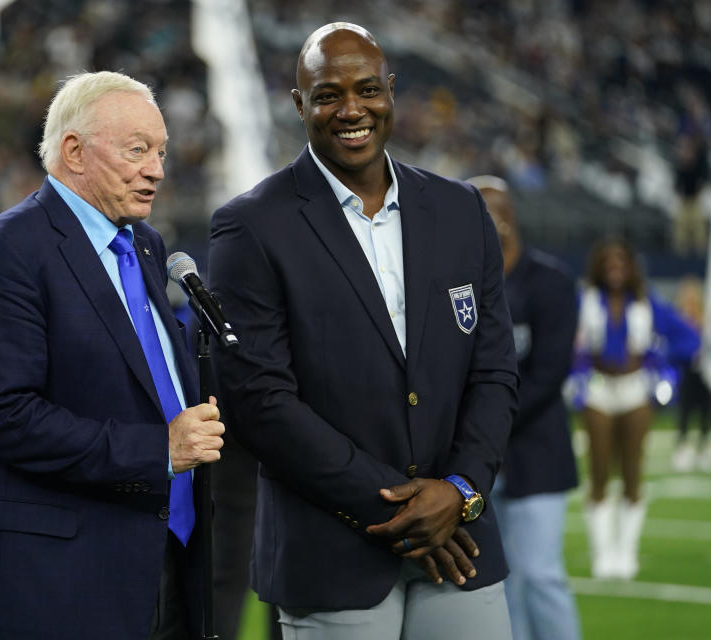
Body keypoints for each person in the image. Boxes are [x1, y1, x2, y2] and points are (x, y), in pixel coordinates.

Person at [208, 23, 518, 640]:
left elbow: (494, 372)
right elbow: (261, 406)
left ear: (392, 92)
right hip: (332, 555)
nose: (352, 109)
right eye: (328, 94)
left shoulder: (461, 210)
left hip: (460, 548)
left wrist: (458, 492)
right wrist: (409, 511)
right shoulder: (249, 227)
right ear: (299, 104)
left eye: (368, 89)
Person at [0, 71, 225, 640]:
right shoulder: (9, 250)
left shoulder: (144, 244)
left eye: (161, 151)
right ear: (74, 152)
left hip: (158, 555)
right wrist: (159, 448)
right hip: (55, 576)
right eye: (137, 150)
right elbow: (6, 416)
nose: (158, 170)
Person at [468, 176, 581, 640]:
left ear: (508, 218)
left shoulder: (551, 281)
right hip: (478, 458)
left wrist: (487, 420)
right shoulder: (459, 282)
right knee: (498, 580)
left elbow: (550, 372)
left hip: (534, 450)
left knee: (540, 573)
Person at [575, 237, 697, 580]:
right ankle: (602, 552)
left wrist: (662, 364)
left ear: (631, 268)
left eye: (621, 262)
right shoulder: (584, 301)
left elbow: (688, 338)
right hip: (598, 386)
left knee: (632, 472)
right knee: (598, 470)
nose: (615, 268)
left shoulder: (647, 303)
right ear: (598, 267)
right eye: (608, 262)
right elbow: (563, 341)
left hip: (635, 387)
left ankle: (626, 552)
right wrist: (575, 371)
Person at [671, 276, 711, 472]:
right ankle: (682, 447)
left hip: (706, 372)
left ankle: (704, 447)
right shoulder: (679, 318)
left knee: (706, 410)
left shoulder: (707, 318)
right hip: (687, 370)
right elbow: (673, 346)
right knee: (685, 411)